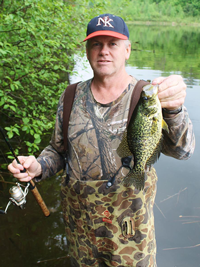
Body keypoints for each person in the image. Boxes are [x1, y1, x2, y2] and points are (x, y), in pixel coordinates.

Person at [8, 14, 195, 267]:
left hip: (132, 239)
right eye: (96, 44)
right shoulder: (70, 95)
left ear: (127, 50)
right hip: (80, 235)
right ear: (86, 50)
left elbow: (183, 151)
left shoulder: (148, 95)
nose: (104, 51)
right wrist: (39, 166)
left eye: (113, 44)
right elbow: (58, 151)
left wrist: (174, 109)